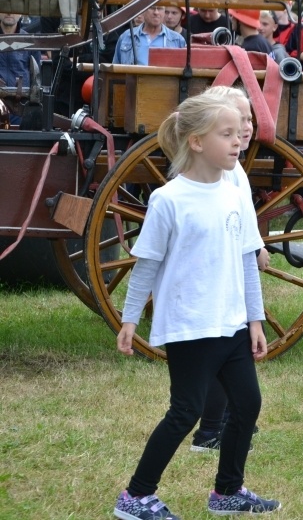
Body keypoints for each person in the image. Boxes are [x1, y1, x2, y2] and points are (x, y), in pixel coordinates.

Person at [112, 93, 280, 518]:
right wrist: (130, 319)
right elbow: (145, 266)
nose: (237, 141)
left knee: (248, 405)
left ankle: (227, 492)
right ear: (196, 141)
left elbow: (246, 262)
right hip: (190, 326)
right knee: (185, 411)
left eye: (237, 133)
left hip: (232, 325)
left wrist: (255, 319)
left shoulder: (234, 193)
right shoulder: (168, 200)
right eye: (226, 134)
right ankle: (135, 497)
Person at [188, 85, 271, 453]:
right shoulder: (223, 170)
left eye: (248, 120)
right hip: (222, 284)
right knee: (223, 362)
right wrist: (252, 248)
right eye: (236, 124)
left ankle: (226, 424)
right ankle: (209, 432)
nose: (245, 129)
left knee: (228, 364)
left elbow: (245, 219)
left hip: (234, 281)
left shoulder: (232, 165)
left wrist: (257, 246)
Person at [0, 14, 41, 125]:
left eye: (14, 8)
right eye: (5, 7)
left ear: (21, 13)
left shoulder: (30, 41)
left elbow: (37, 79)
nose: (9, 12)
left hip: (21, 108)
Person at [113, 6, 186, 65]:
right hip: (133, 82)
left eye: (160, 8)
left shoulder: (178, 39)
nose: (156, 12)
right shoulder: (127, 36)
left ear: (164, 12)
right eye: (152, 8)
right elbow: (116, 70)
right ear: (143, 10)